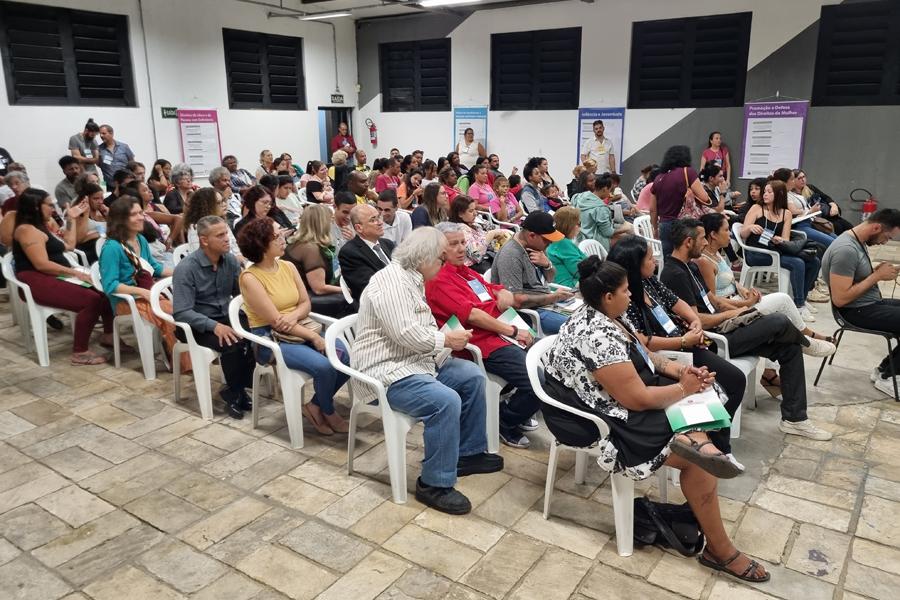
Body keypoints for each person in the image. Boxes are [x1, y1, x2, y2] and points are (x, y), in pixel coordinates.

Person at [543, 258, 769, 582]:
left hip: (614, 394)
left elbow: (645, 355)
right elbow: (637, 399)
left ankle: (700, 450)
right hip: (591, 416)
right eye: (624, 290)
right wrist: (682, 387)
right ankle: (720, 549)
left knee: (700, 405)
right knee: (695, 449)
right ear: (608, 296)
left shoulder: (612, 314)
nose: (631, 295)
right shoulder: (595, 334)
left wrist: (681, 371)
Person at [352, 227, 502, 513]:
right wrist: (446, 339)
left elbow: (415, 330)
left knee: (471, 377)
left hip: (413, 362)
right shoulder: (392, 283)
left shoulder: (413, 277)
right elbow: (405, 334)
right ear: (424, 258)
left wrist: (445, 340)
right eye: (440, 259)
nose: (443, 264)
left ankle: (467, 454)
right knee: (445, 401)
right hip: (386, 371)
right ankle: (434, 483)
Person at [660, 219, 833, 440]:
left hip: (726, 327)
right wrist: (734, 314)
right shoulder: (675, 274)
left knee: (789, 348)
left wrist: (743, 307)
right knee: (778, 320)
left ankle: (795, 419)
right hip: (716, 339)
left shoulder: (690, 266)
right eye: (702, 238)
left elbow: (713, 299)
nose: (705, 243)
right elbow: (698, 321)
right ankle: (807, 342)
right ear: (688, 242)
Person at [607, 235, 744, 469]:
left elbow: (676, 301)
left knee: (728, 381)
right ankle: (713, 445)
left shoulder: (649, 281)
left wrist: (694, 321)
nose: (655, 261)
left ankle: (713, 441)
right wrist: (682, 342)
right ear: (634, 264)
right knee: (728, 381)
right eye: (650, 258)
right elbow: (639, 342)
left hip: (683, 344)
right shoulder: (623, 295)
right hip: (670, 351)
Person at [427, 222, 540, 448]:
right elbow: (473, 315)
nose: (461, 249)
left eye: (462, 242)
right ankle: (505, 420)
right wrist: (513, 331)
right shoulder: (438, 279)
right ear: (439, 249)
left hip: (502, 329)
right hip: (482, 342)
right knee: (540, 380)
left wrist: (503, 291)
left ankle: (513, 408)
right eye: (453, 244)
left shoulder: (464, 271)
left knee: (548, 361)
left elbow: (489, 289)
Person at [237, 217, 351, 435]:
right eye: (277, 236)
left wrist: (295, 316)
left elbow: (305, 303)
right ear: (261, 243)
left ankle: (315, 405)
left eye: (282, 234)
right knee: (325, 366)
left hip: (300, 327)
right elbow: (275, 322)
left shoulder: (287, 266)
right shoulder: (250, 278)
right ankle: (328, 411)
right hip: (270, 340)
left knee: (345, 357)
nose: (284, 239)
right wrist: (313, 337)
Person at [13, 188, 114, 365]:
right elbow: (41, 264)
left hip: (53, 274)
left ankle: (108, 336)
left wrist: (71, 219)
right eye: (49, 205)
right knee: (90, 300)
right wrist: (75, 272)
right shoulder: (26, 230)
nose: (52, 209)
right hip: (34, 279)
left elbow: (68, 244)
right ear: (36, 207)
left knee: (104, 291)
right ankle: (80, 352)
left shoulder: (42, 226)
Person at [173, 216, 256, 419]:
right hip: (196, 324)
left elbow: (239, 294)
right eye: (220, 235)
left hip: (224, 315)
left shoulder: (229, 261)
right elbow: (182, 311)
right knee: (231, 342)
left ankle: (235, 389)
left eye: (226, 233)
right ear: (204, 240)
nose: (227, 239)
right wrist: (214, 326)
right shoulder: (186, 269)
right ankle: (235, 393)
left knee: (255, 335)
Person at [98, 196, 187, 371]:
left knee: (183, 309)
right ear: (121, 219)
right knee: (169, 312)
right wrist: (142, 292)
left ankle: (186, 352)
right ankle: (182, 362)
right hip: (125, 301)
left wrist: (183, 271)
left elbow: (154, 268)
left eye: (141, 212)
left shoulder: (140, 240)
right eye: (135, 214)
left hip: (147, 293)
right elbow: (110, 285)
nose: (141, 217)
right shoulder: (112, 248)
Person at [822, 209, 900, 396]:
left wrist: (877, 271)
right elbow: (840, 299)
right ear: (876, 227)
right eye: (887, 237)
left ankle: (884, 370)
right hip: (853, 311)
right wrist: (876, 277)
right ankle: (889, 376)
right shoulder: (846, 250)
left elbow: (854, 275)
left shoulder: (858, 240)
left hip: (867, 304)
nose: (885, 242)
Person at [741, 180, 822, 316]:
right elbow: (742, 233)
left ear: (779, 194)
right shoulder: (756, 208)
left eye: (769, 192)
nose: (765, 194)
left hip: (775, 250)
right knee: (797, 263)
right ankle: (799, 305)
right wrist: (750, 227)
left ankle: (802, 296)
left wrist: (779, 240)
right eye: (765, 191)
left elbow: (786, 239)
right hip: (757, 252)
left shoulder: (786, 213)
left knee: (815, 262)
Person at [491, 212, 574, 335]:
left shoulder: (537, 246)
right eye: (547, 240)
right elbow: (515, 301)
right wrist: (553, 297)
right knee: (575, 327)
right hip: (531, 313)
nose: (550, 244)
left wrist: (547, 265)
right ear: (532, 235)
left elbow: (550, 278)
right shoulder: (511, 255)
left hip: (547, 302)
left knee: (587, 317)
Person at [284, 204, 354, 318]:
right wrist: (348, 290)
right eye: (329, 221)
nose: (331, 224)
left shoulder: (302, 242)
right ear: (322, 224)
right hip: (306, 302)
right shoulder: (310, 249)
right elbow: (319, 288)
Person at [650, 145, 714, 255]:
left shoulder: (659, 177)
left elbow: (652, 209)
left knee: (668, 260)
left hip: (664, 225)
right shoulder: (687, 172)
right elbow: (704, 198)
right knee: (685, 259)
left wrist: (655, 228)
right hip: (684, 225)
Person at [338, 204, 395, 303]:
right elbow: (371, 288)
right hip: (378, 307)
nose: (380, 223)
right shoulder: (349, 253)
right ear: (359, 228)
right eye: (373, 220)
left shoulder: (388, 244)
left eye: (379, 217)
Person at [448, 195, 510, 274]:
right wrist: (490, 235)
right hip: (474, 266)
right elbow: (475, 254)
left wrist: (492, 232)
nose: (475, 213)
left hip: (488, 257)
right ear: (460, 214)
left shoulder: (474, 222)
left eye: (475, 209)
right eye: (471, 211)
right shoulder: (459, 229)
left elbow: (493, 228)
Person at [793, 170, 852, 234]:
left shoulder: (810, 187)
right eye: (799, 178)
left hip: (828, 214)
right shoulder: (793, 195)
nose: (803, 180)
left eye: (804, 177)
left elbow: (825, 197)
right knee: (837, 228)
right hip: (816, 220)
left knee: (850, 228)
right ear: (793, 180)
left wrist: (833, 205)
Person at [571, 171, 617, 251]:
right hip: (595, 244)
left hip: (579, 239)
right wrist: (625, 229)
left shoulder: (579, 197)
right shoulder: (600, 208)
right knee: (627, 239)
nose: (610, 194)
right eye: (610, 190)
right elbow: (608, 232)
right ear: (605, 189)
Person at [547, 206, 586, 288]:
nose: (580, 227)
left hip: (559, 286)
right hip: (569, 287)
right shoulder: (562, 242)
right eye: (578, 224)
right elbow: (581, 272)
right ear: (569, 226)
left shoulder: (553, 240)